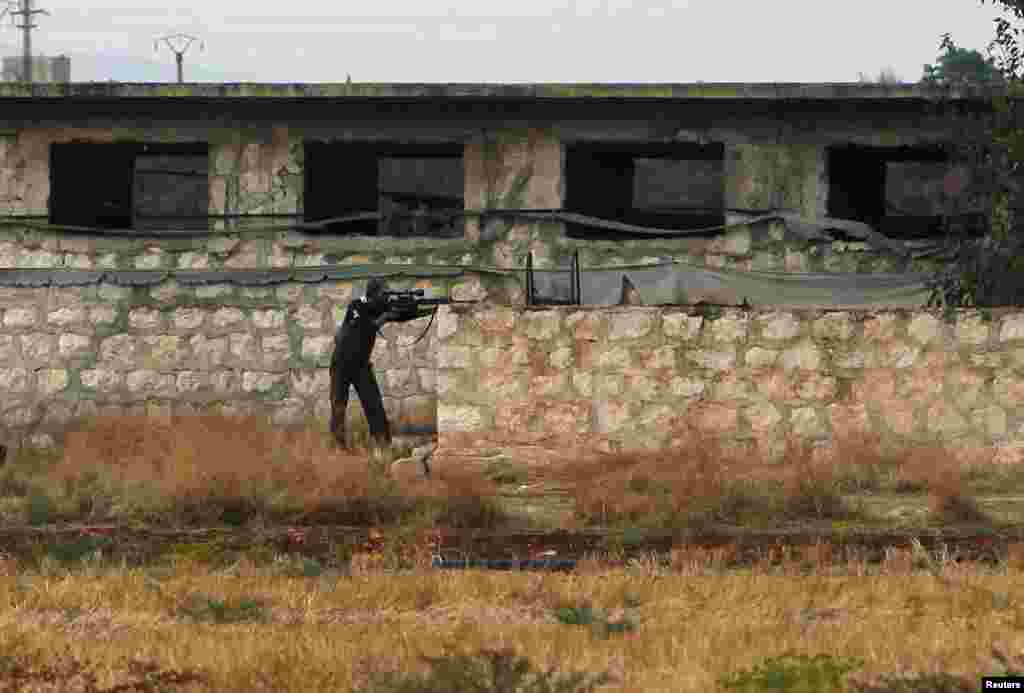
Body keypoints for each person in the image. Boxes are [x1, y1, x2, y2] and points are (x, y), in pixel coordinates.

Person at [329, 277, 433, 450]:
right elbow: (363, 327)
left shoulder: (380, 307)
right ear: (373, 294)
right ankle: (338, 447)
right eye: (384, 293)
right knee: (338, 405)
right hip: (341, 364)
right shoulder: (357, 306)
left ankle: (383, 444)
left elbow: (402, 315)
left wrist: (428, 309)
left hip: (361, 365)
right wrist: (385, 317)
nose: (387, 296)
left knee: (374, 404)